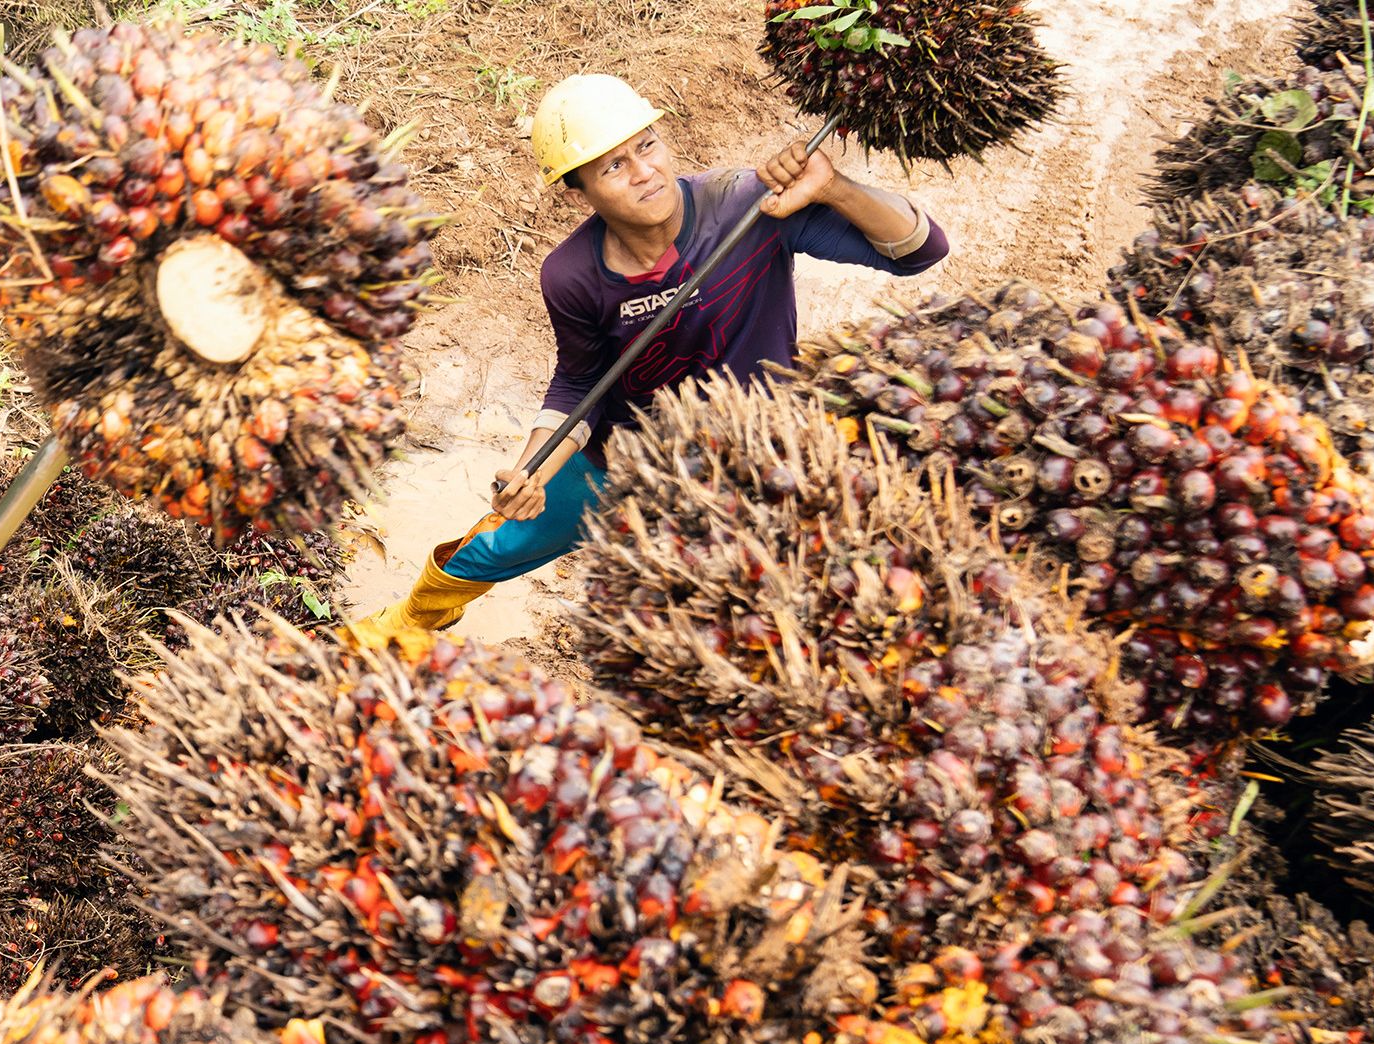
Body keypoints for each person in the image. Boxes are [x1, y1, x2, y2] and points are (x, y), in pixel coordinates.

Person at [350, 73, 953, 649]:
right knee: (489, 548)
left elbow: (920, 251)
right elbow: (580, 383)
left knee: (738, 599)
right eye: (614, 166)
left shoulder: (747, 208)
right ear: (578, 190)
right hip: (625, 454)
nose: (646, 173)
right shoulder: (571, 275)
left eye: (648, 146)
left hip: (751, 459)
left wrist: (833, 188)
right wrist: (529, 470)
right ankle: (409, 620)